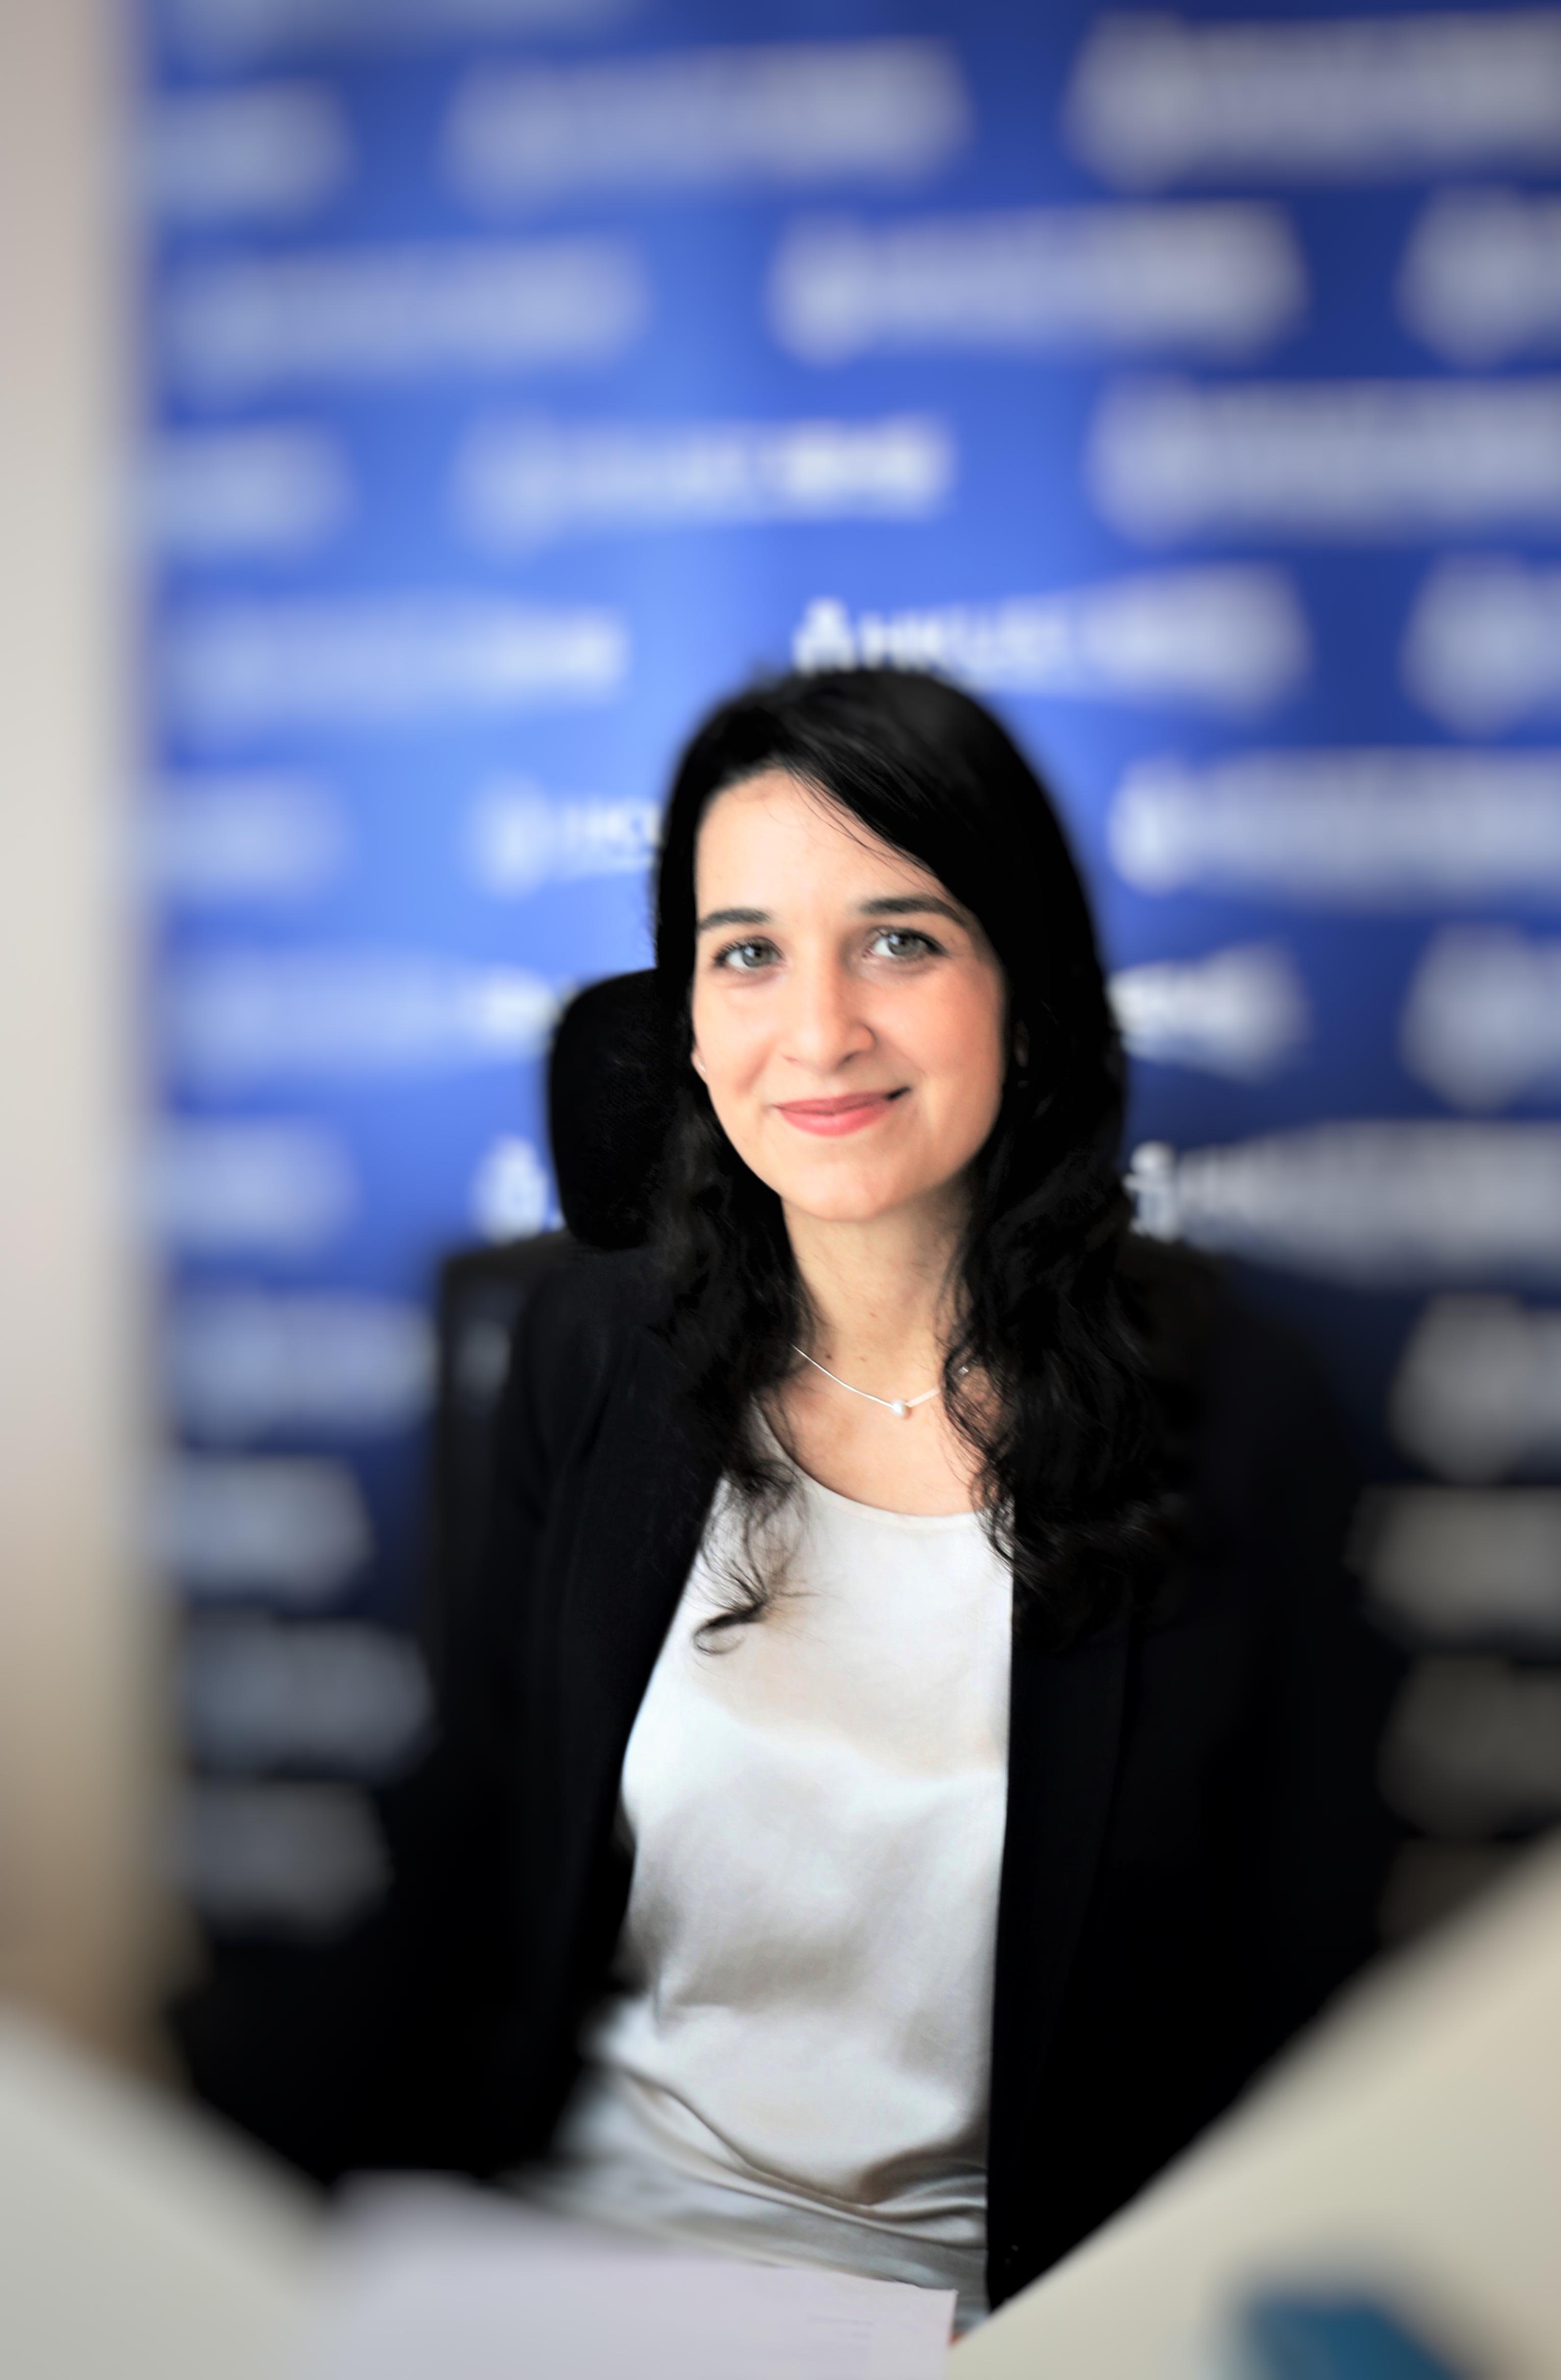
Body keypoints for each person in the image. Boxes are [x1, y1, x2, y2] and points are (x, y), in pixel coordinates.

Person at [176, 667, 1393, 2323]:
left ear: (1025, 984)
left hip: (983, 2324)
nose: (819, 1032)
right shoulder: (589, 1350)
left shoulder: (1239, 1415)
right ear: (686, 1010)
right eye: (747, 952)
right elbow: (469, 1838)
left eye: (900, 940)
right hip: (559, 2267)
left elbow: (1296, 1996)